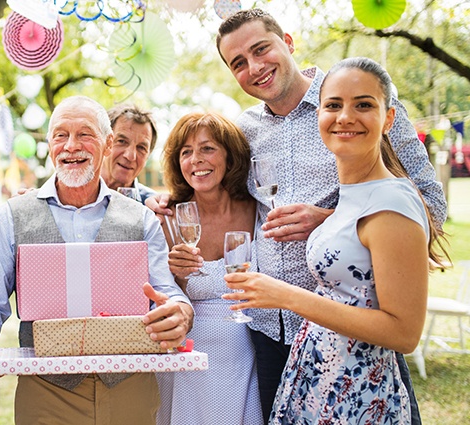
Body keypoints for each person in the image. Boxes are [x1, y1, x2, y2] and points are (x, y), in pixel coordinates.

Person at [205, 9, 444, 422]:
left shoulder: (360, 109)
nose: (254, 67)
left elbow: (430, 204)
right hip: (271, 333)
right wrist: (164, 207)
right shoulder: (244, 130)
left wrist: (330, 217)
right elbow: (221, 198)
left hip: (358, 338)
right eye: (238, 63)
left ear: (289, 42)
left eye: (262, 49)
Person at [0, 95, 194, 425]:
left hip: (130, 388)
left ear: (107, 143)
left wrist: (180, 312)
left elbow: (167, 293)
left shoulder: (142, 219)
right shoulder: (12, 216)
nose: (71, 146)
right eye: (60, 135)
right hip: (47, 393)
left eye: (85, 134)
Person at [155, 112, 264, 425]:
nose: (195, 160)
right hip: (187, 355)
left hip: (244, 354)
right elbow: (160, 291)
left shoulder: (257, 209)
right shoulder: (168, 216)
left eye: (207, 148)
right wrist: (175, 273)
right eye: (186, 152)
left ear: (230, 157)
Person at [101, 104, 159, 203]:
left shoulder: (154, 208)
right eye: (122, 141)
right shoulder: (71, 196)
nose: (130, 156)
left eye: (141, 148)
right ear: (103, 142)